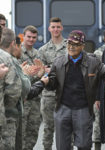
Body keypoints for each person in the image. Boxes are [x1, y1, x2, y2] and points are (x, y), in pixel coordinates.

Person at [43, 30, 105, 150]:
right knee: (62, 146)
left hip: (83, 109)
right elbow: (52, 84)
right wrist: (46, 81)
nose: (71, 47)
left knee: (84, 145)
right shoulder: (58, 62)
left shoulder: (93, 62)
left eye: (75, 44)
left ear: (82, 46)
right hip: (63, 110)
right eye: (69, 44)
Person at [38, 17, 67, 150]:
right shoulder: (43, 50)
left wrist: (53, 70)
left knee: (66, 128)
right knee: (48, 128)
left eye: (58, 27)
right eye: (53, 27)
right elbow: (41, 72)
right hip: (48, 95)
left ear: (62, 28)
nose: (55, 29)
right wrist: (45, 71)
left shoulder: (70, 47)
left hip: (67, 94)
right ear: (49, 29)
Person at [19, 25, 44, 150]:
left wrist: (40, 75)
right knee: (20, 132)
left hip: (35, 99)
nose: (31, 39)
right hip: (22, 99)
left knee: (33, 132)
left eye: (34, 37)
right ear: (23, 36)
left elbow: (40, 75)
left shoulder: (37, 54)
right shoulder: (17, 52)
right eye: (29, 37)